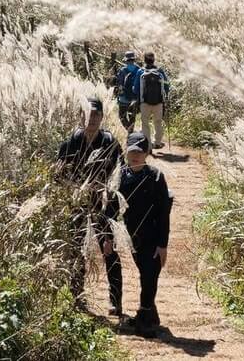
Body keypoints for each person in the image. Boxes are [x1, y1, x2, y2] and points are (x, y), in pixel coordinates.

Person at [56, 99, 123, 317]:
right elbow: (58, 176)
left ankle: (115, 301)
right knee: (76, 250)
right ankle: (77, 296)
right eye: (87, 114)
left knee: (108, 249)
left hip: (102, 203)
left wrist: (105, 193)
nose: (91, 119)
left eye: (96, 114)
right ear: (80, 117)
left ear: (102, 117)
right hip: (77, 203)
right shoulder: (70, 143)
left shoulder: (110, 142)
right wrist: (76, 188)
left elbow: (118, 175)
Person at [104, 132, 172, 336]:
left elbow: (163, 214)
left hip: (152, 234)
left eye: (140, 152)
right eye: (132, 151)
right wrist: (108, 236)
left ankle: (145, 315)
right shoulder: (119, 176)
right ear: (126, 151)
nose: (135, 155)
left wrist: (163, 244)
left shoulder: (156, 177)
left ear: (147, 154)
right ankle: (149, 312)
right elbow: (110, 211)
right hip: (131, 235)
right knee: (146, 274)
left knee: (151, 274)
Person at [136, 53, 170, 150]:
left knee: (145, 123)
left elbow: (135, 88)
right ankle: (157, 143)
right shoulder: (160, 71)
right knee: (158, 122)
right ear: (154, 60)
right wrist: (165, 95)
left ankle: (148, 145)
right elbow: (167, 85)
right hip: (158, 102)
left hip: (144, 103)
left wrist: (139, 98)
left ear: (144, 60)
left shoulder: (140, 71)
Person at [114, 52, 141, 130]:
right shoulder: (139, 70)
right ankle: (131, 131)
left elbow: (119, 84)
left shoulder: (123, 70)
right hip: (135, 98)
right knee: (132, 117)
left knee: (121, 116)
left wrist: (118, 96)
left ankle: (129, 131)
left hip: (124, 98)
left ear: (126, 60)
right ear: (134, 59)